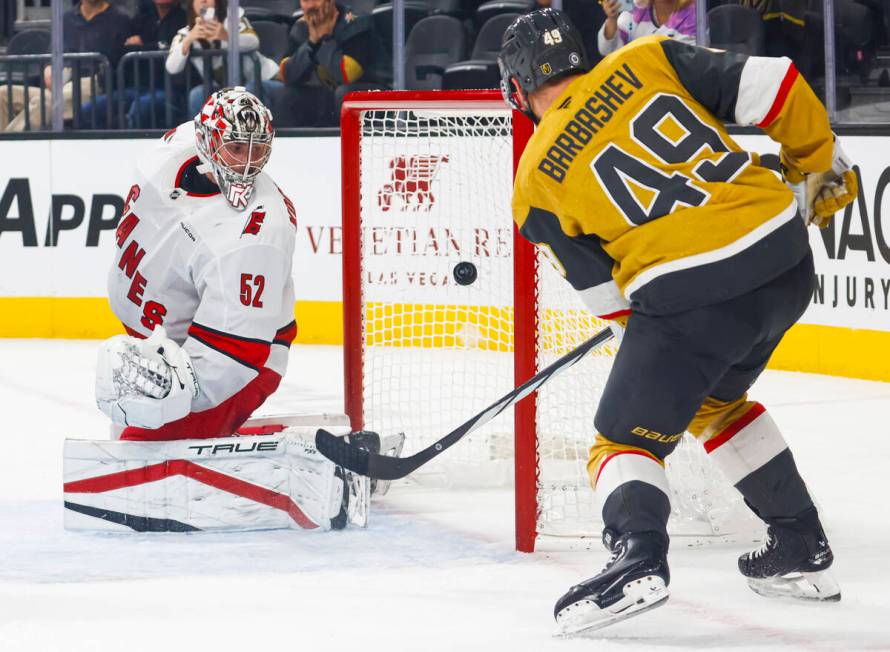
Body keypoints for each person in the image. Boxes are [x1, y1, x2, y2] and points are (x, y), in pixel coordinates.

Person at [497, 9, 857, 635]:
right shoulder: (646, 57)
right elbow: (775, 82)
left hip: (695, 298)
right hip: (784, 258)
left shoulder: (533, 182)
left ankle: (637, 555)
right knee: (715, 404)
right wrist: (816, 159)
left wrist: (657, 346)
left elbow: (612, 305)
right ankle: (800, 543)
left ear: (517, 87)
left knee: (622, 437)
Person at [95, 87, 298, 441]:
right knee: (130, 431)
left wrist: (174, 397)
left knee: (138, 453)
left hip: (237, 364)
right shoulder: (176, 148)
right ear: (205, 139)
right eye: (236, 147)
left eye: (258, 148)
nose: (247, 162)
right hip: (162, 341)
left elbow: (236, 353)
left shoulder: (257, 232)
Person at [0, 0, 130, 131]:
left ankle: (7, 145)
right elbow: (52, 54)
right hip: (61, 80)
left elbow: (117, 63)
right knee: (3, 93)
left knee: (45, 102)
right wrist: (49, 68)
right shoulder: (65, 19)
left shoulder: (120, 20)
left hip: (93, 80)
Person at [271, 0, 379, 127]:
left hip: (371, 92)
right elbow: (286, 75)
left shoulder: (356, 22)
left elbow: (347, 76)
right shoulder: (301, 26)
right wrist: (312, 41)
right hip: (328, 93)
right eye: (305, 1)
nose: (310, 6)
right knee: (283, 95)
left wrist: (325, 38)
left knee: (344, 94)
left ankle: (349, 145)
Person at [165, 0, 278, 118]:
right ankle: (202, 134)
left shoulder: (234, 19)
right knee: (197, 94)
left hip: (263, 79)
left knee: (247, 92)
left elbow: (254, 41)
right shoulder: (185, 34)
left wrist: (226, 36)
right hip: (223, 87)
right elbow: (172, 67)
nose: (203, 1)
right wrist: (188, 41)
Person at [597, 0, 695, 56]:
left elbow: (685, 65)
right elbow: (607, 51)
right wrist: (612, 19)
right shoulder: (638, 7)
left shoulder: (695, 15)